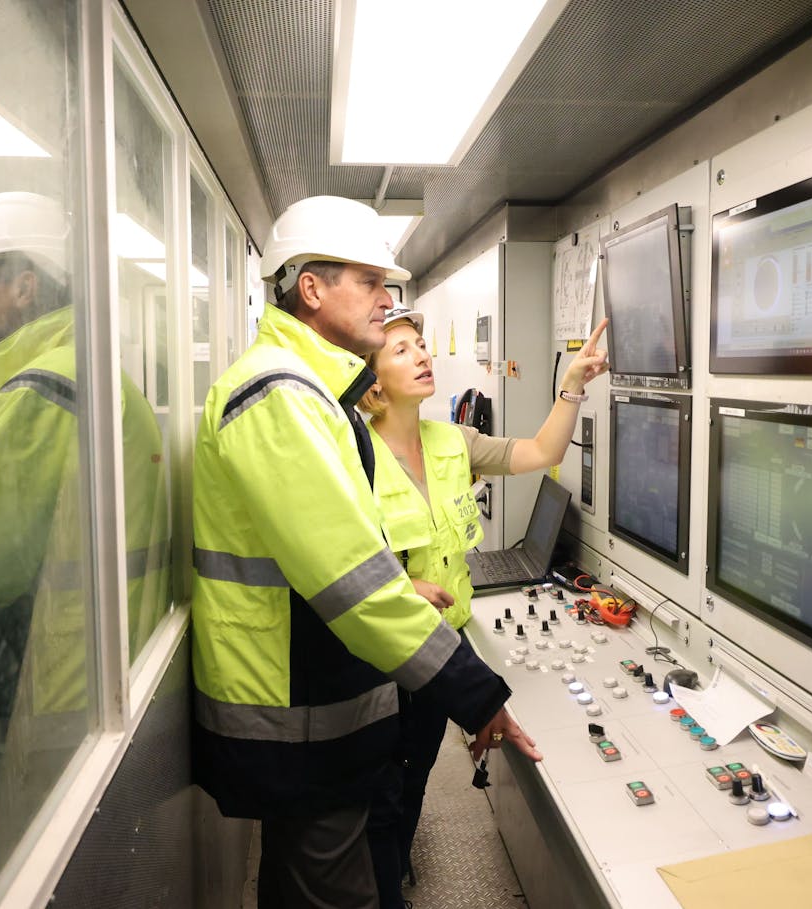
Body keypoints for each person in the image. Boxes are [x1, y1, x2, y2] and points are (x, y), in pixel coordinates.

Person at [190, 195, 542, 909]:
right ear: (312, 287)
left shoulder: (316, 392)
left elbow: (323, 553)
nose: (389, 301)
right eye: (371, 282)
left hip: (308, 698)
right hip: (296, 717)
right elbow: (352, 583)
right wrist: (478, 697)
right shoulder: (279, 395)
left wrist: (396, 590)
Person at [0, 191, 169, 905]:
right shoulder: (84, 372)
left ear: (26, 284)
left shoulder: (42, 390)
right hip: (97, 686)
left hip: (57, 697)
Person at [360, 308, 607, 902]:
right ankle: (382, 884)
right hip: (380, 657)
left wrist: (572, 384)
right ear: (371, 385)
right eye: (400, 350)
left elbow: (543, 452)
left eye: (421, 345)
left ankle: (393, 870)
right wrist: (394, 586)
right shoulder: (353, 454)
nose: (421, 355)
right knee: (379, 795)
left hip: (443, 652)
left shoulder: (454, 441)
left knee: (415, 778)